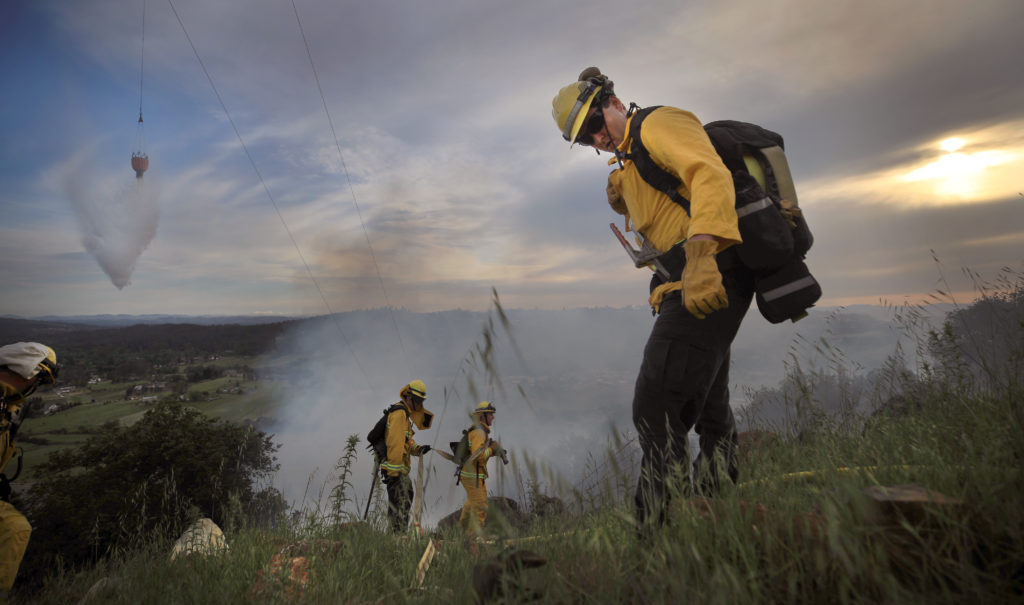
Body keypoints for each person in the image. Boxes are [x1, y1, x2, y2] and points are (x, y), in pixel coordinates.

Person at [551, 67, 755, 527]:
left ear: (614, 101)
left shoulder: (658, 125)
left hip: (706, 275)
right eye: (585, 139)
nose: (597, 138)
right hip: (679, 283)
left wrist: (703, 251)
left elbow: (709, 175)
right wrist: (622, 190)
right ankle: (718, 509)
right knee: (708, 406)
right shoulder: (630, 159)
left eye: (596, 123)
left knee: (655, 405)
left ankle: (660, 537)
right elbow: (661, 205)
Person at [0, 342, 58, 600]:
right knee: (14, 528)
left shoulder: (8, 404)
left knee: (15, 528)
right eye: (40, 379)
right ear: (30, 373)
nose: (37, 386)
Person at [380, 380, 433, 533]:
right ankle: (397, 538)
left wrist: (419, 449)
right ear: (409, 397)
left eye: (421, 401)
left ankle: (398, 537)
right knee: (400, 507)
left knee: (403, 504)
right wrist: (394, 474)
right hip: (397, 473)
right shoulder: (399, 414)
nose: (419, 404)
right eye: (417, 400)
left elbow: (407, 441)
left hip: (400, 473)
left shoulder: (405, 415)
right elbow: (395, 445)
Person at [458, 401, 505, 536]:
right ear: (482, 416)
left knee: (472, 503)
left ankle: (461, 532)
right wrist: (491, 450)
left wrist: (493, 450)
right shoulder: (479, 432)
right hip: (473, 476)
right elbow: (478, 455)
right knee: (480, 506)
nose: (493, 417)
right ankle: (474, 538)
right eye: (490, 415)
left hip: (473, 475)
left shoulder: (479, 430)